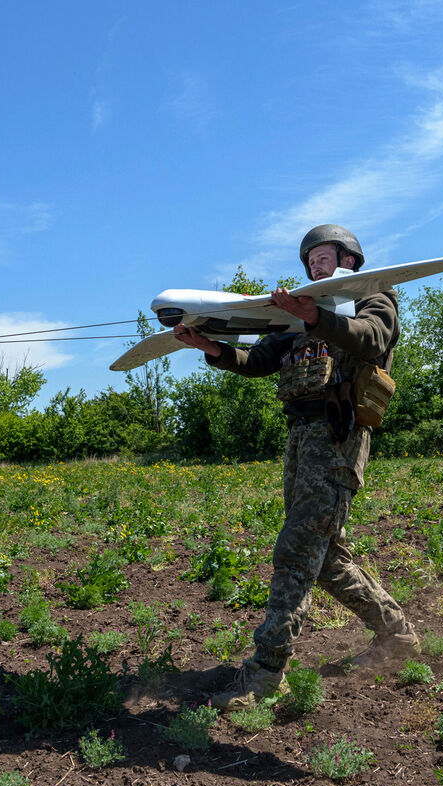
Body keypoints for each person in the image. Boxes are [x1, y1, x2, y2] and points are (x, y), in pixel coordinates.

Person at [174, 224, 419, 710]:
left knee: (297, 547)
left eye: (324, 256)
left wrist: (316, 319)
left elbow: (371, 339)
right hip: (301, 438)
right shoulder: (299, 312)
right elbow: (259, 359)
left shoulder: (374, 297)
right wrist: (213, 349)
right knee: (325, 558)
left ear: (348, 257)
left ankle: (267, 672)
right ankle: (398, 636)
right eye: (310, 259)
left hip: (337, 433)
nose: (315, 265)